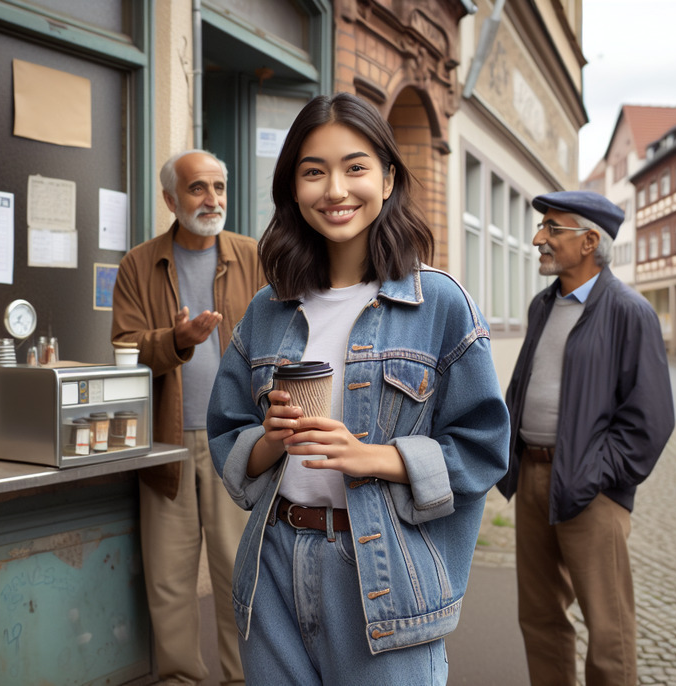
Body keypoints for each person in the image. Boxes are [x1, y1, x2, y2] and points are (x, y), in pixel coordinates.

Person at [206, 92, 510, 685]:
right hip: (274, 562)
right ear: (293, 188)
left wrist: (370, 457)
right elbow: (228, 433)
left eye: (355, 167)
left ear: (389, 178)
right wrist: (271, 440)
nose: (335, 190)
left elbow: (483, 449)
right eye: (313, 171)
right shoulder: (269, 310)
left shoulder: (439, 304)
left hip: (382, 572)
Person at [496, 190, 675, 685]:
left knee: (608, 626)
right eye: (542, 229)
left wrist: (598, 475)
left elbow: (651, 419)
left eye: (553, 229)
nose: (539, 239)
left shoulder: (628, 311)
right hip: (531, 477)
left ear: (590, 241)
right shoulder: (542, 305)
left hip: (591, 491)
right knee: (539, 615)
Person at [111, 149, 263, 686]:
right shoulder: (139, 264)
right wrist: (174, 341)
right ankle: (180, 679)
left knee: (237, 575)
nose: (212, 200)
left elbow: (289, 335)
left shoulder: (254, 257)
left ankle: (243, 678)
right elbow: (125, 349)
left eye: (219, 187)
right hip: (165, 444)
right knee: (169, 581)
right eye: (199, 188)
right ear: (171, 199)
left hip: (238, 442)